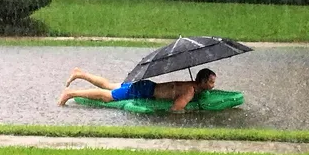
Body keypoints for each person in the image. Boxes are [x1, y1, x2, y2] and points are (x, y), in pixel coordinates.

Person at [58, 67, 216, 112]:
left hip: (147, 86)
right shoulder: (190, 90)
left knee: (109, 85)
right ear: (202, 81)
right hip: (144, 91)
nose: (213, 86)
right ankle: (70, 94)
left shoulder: (192, 85)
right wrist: (193, 112)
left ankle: (80, 74)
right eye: (210, 82)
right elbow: (176, 109)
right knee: (107, 96)